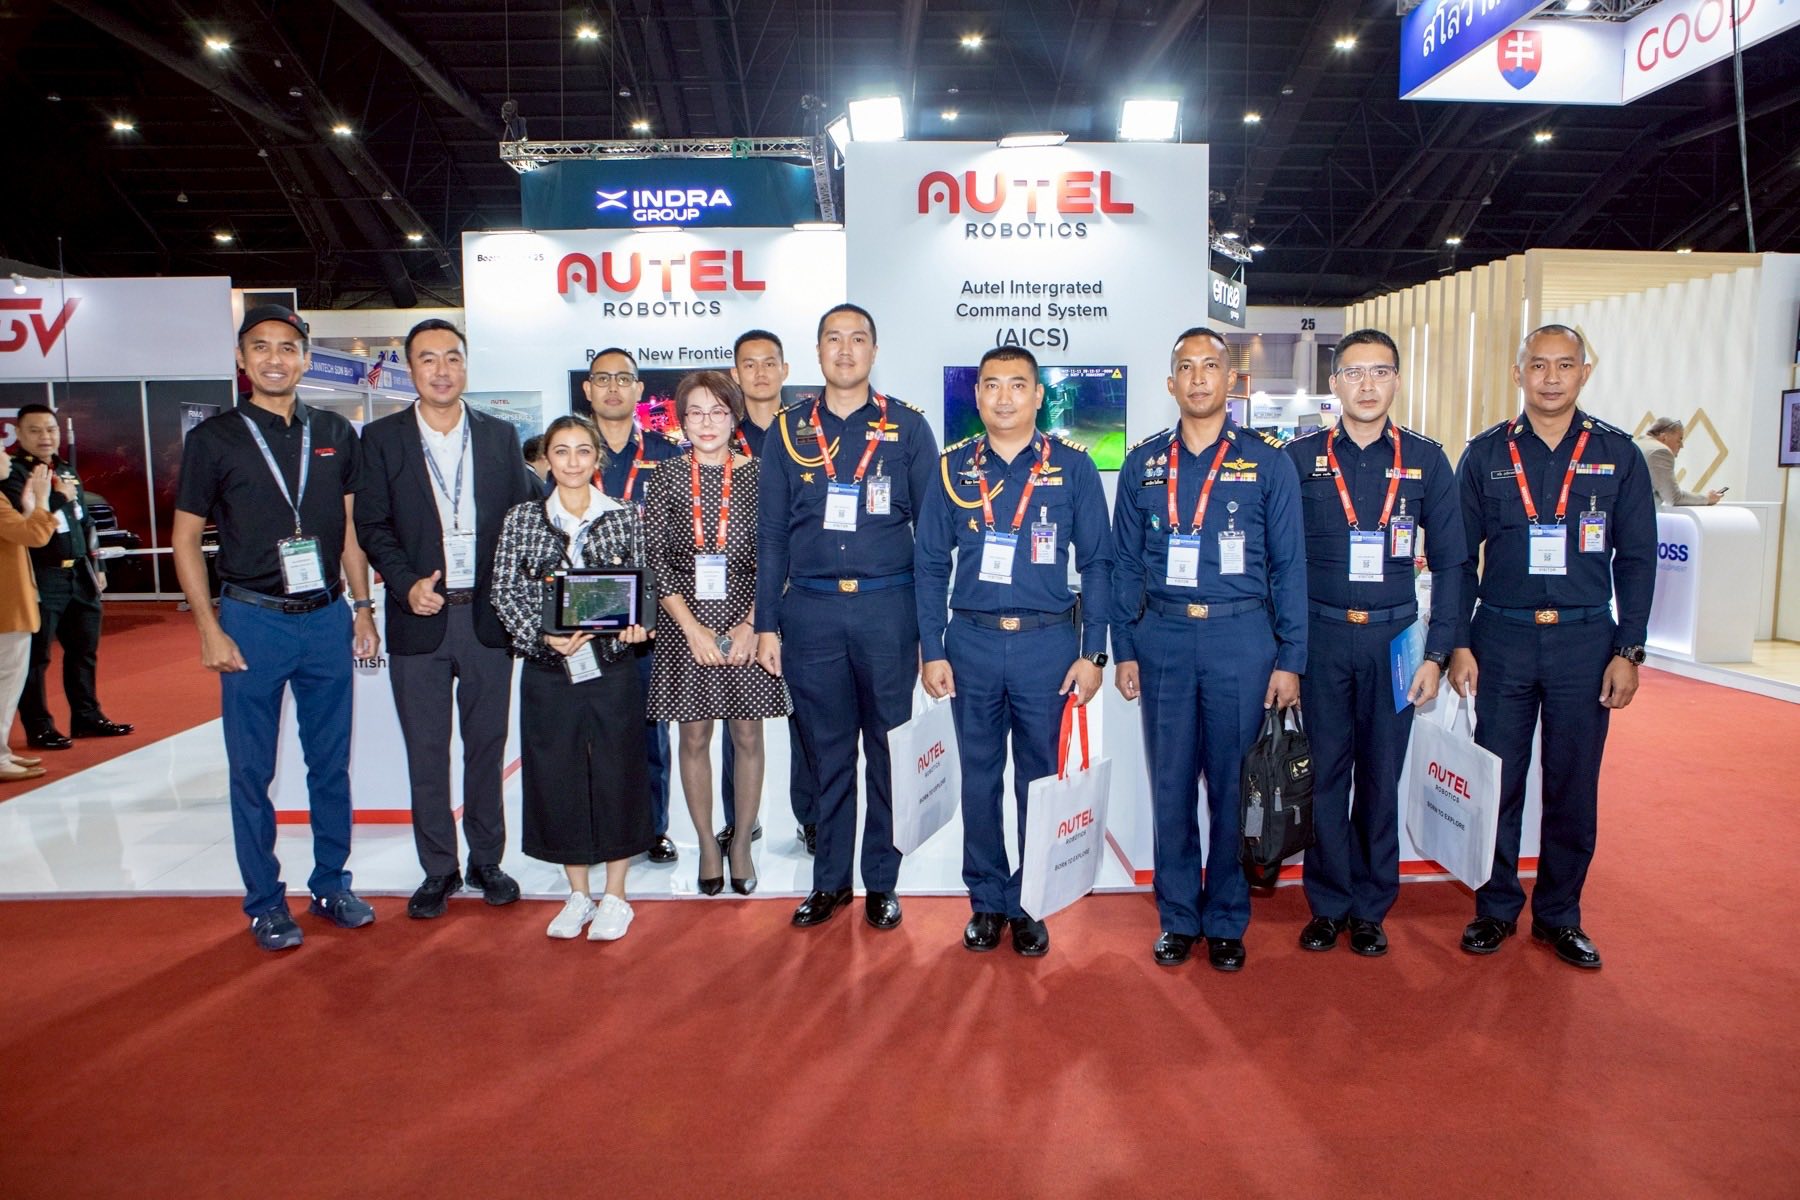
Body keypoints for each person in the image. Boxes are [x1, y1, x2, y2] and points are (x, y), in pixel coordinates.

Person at [170, 304, 381, 951]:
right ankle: (264, 901)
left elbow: (349, 528)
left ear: (306, 359)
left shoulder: (334, 431)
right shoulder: (214, 439)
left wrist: (363, 607)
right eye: (260, 347)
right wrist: (209, 628)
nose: (275, 358)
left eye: (288, 347)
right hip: (251, 620)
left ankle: (331, 884)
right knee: (251, 770)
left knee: (331, 765)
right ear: (241, 359)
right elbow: (184, 539)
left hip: (325, 619)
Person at [1449, 324, 1656, 970]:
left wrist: (1630, 649)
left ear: (1584, 373)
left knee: (1572, 784)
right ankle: (1495, 907)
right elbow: (1459, 560)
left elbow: (1638, 558)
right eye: (1538, 365)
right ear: (1519, 374)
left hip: (1585, 641)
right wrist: (1458, 642)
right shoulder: (1485, 454)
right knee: (1498, 781)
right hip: (1501, 637)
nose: (1551, 378)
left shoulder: (1619, 455)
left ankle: (1560, 915)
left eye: (1565, 365)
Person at [1110, 326, 1307, 973]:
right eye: (1186, 368)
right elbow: (1125, 564)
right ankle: (1178, 916)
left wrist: (1291, 658)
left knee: (1233, 786)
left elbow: (1289, 567)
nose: (1198, 378)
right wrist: (1125, 647)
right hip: (1163, 638)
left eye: (1210, 366)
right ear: (1171, 383)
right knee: (1170, 786)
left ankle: (1225, 917)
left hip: (1240, 640)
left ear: (1230, 379)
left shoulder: (1267, 462)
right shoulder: (1143, 463)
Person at [916, 345, 1113, 957]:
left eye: (1017, 385)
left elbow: (1099, 563)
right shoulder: (952, 469)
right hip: (970, 643)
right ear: (977, 395)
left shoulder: (1073, 467)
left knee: (1039, 780)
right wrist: (931, 648)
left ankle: (1031, 900)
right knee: (979, 779)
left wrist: (1094, 653)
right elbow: (929, 564)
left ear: (1038, 395)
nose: (1004, 397)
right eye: (992, 385)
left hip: (1047, 646)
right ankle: (986, 900)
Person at [1282, 330, 1466, 957]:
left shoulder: (1427, 460)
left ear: (1397, 380)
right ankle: (1328, 903)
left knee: (1381, 778)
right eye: (1354, 373)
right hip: (1323, 638)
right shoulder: (1298, 459)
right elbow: (1279, 563)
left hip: (1396, 640)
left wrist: (1437, 653)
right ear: (1334, 383)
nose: (1367, 385)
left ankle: (1370, 908)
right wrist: (1289, 653)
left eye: (1380, 372)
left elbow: (1453, 563)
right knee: (1326, 776)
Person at [755, 303, 938, 930]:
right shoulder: (787, 432)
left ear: (874, 351)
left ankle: (882, 881)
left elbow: (932, 540)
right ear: (817, 351)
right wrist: (766, 623)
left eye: (858, 338)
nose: (845, 349)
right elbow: (771, 536)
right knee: (827, 754)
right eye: (833, 338)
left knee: (888, 752)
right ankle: (829, 881)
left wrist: (930, 635)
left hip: (889, 610)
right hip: (810, 612)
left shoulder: (908, 428)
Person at [354, 319, 542, 919]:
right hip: (419, 618)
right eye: (428, 359)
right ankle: (439, 867)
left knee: (487, 747)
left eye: (452, 358)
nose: (441, 370)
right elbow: (371, 525)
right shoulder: (381, 439)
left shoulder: (498, 436)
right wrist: (404, 583)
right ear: (411, 368)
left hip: (486, 620)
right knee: (427, 752)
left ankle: (487, 860)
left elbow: (522, 519)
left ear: (465, 365)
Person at [491, 414, 655, 941]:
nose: (572, 462)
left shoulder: (624, 517)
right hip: (548, 669)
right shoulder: (523, 518)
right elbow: (504, 591)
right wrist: (543, 637)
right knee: (556, 773)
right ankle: (578, 893)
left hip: (611, 667)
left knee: (617, 771)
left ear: (596, 458)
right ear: (546, 459)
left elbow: (643, 586)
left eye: (583, 450)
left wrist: (638, 626)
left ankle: (616, 894)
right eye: (561, 451)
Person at [643, 372, 793, 895]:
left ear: (735, 417)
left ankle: (742, 842)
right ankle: (708, 843)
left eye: (718, 411)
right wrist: (692, 630)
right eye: (695, 412)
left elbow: (778, 555)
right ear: (681, 421)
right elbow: (655, 560)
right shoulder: (665, 477)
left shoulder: (763, 474)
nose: (706, 422)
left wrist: (754, 623)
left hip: (748, 615)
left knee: (748, 735)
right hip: (684, 621)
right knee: (694, 736)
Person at [720, 327, 820, 857]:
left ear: (785, 369)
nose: (759, 373)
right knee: (737, 716)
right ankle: (741, 819)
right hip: (738, 597)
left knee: (809, 713)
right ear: (735, 374)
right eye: (749, 364)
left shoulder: (809, 432)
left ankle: (812, 816)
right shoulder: (720, 434)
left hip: (802, 590)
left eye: (769, 363)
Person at [584, 348, 683, 865]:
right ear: (588, 390)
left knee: (650, 726)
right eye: (603, 379)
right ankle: (598, 827)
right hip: (588, 612)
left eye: (623, 379)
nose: (613, 388)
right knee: (591, 728)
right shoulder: (573, 450)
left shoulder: (667, 455)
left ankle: (653, 827)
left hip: (652, 613)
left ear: (639, 390)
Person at [0, 404, 134, 750]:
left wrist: (98, 567)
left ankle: (87, 716)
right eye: (35, 430)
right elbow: (27, 522)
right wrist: (58, 497)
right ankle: (39, 726)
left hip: (79, 573)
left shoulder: (66, 470)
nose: (45, 437)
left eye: (51, 430)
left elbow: (85, 522)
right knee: (36, 657)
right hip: (42, 575)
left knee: (84, 649)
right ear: (18, 433)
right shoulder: (13, 474)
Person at [0, 447, 57, 783]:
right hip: (6, 609)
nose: (7, 458)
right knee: (6, 683)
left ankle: (3, 751)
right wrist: (42, 501)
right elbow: (34, 536)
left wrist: (28, 508)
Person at [1635, 418, 1722, 509]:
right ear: (1664, 437)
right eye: (1679, 439)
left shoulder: (1637, 443)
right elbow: (1674, 498)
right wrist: (1707, 499)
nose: (1682, 445)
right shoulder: (1660, 451)